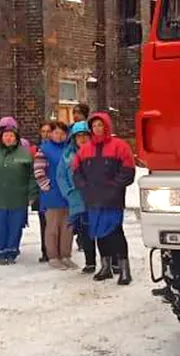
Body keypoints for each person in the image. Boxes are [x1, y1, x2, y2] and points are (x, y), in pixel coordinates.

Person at [73, 112, 135, 285]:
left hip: (112, 199)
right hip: (93, 199)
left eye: (100, 125)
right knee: (99, 233)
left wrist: (115, 186)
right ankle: (105, 266)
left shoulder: (119, 146)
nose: (97, 129)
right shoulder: (85, 149)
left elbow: (128, 171)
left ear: (107, 126)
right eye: (94, 126)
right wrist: (84, 187)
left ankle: (124, 269)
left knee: (115, 232)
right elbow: (76, 172)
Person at [0, 119, 37, 265]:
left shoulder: (25, 154)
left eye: (11, 135)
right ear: (1, 138)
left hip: (18, 197)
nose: (8, 138)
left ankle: (11, 251)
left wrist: (31, 194)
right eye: (6, 136)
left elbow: (32, 176)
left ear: (16, 138)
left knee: (15, 226)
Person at [56, 121, 97, 273]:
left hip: (96, 197)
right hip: (77, 199)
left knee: (102, 231)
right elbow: (60, 176)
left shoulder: (97, 151)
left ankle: (111, 262)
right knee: (84, 232)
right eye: (78, 136)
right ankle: (90, 262)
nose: (82, 139)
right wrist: (68, 192)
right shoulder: (67, 155)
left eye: (85, 135)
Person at [37, 121, 75, 270]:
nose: (59, 136)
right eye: (56, 133)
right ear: (51, 134)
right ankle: (53, 256)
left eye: (62, 133)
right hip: (52, 194)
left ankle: (66, 255)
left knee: (67, 227)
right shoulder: (44, 149)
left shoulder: (69, 149)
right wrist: (46, 187)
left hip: (68, 194)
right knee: (52, 227)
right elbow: (39, 171)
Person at [32, 120, 55, 263]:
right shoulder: (35, 148)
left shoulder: (57, 147)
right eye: (44, 132)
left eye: (48, 132)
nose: (46, 135)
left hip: (53, 189)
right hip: (40, 189)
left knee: (55, 221)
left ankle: (55, 249)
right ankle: (45, 250)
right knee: (43, 222)